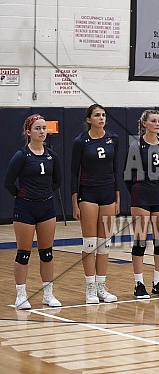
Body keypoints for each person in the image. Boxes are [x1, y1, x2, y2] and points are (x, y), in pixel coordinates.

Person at [4, 114, 62, 309]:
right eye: (37, 128)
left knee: (47, 253)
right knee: (23, 253)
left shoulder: (52, 155)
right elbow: (8, 182)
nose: (42, 132)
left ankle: (48, 294)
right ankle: (21, 295)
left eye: (44, 128)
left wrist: (42, 194)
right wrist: (22, 195)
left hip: (46, 207)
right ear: (28, 132)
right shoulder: (21, 155)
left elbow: (57, 181)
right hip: (25, 208)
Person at [71, 104, 119, 304]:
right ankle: (90, 287)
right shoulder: (80, 141)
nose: (101, 118)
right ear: (89, 119)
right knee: (90, 243)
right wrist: (75, 202)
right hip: (88, 193)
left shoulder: (114, 139)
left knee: (104, 244)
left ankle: (101, 286)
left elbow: (116, 169)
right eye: (97, 115)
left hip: (108, 193)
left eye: (103, 115)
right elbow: (74, 173)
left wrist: (117, 198)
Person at [124, 109, 159, 299]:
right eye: (154, 121)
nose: (157, 124)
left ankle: (158, 282)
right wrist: (137, 192)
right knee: (140, 241)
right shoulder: (136, 146)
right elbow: (127, 175)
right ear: (145, 123)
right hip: (141, 196)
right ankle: (139, 284)